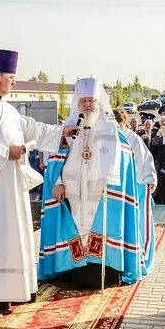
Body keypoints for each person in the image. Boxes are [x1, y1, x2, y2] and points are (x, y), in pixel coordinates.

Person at [0, 48, 77, 320]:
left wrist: (61, 131)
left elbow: (32, 128)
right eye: (11, 77)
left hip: (8, 187)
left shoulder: (5, 107)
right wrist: (4, 152)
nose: (14, 82)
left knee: (10, 239)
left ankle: (8, 292)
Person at [38, 79, 154, 286]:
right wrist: (57, 182)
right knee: (73, 231)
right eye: (83, 101)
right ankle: (70, 272)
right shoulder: (68, 129)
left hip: (102, 194)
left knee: (102, 230)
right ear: (77, 104)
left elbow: (125, 159)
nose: (87, 105)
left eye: (91, 101)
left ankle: (106, 273)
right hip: (72, 195)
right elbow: (55, 159)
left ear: (100, 103)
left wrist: (111, 179)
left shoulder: (111, 130)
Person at [115, 107, 157, 272]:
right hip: (118, 188)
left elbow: (146, 160)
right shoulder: (109, 137)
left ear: (124, 123)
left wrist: (150, 180)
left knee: (137, 224)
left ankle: (140, 258)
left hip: (135, 187)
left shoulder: (133, 139)